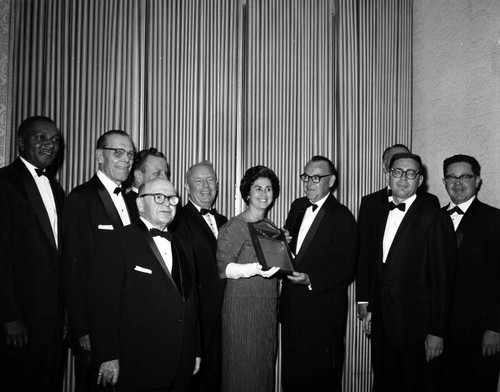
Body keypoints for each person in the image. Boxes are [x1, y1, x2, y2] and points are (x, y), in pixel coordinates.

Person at [89, 177, 200, 391]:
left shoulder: (183, 244)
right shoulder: (119, 241)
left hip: (182, 361)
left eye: (172, 199)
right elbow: (103, 303)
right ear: (140, 204)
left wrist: (195, 350)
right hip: (138, 362)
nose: (167, 203)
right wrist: (108, 355)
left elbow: (192, 300)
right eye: (159, 197)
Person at [369, 152, 456, 391]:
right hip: (384, 326)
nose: (403, 178)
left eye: (411, 173)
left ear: (420, 179)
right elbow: (381, 270)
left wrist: (437, 332)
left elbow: (443, 281)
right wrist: (372, 309)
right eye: (397, 172)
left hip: (417, 332)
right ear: (388, 175)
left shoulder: (435, 218)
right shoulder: (379, 213)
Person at [62, 130, 135, 391]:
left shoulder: (131, 201)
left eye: (130, 154)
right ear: (98, 156)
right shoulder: (80, 199)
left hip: (127, 325)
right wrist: (82, 328)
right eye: (118, 152)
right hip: (94, 328)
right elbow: (72, 269)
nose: (126, 159)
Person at [279, 155, 358, 392]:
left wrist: (312, 279)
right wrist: (283, 242)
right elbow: (290, 250)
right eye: (305, 177)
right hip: (292, 307)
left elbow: (346, 266)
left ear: (331, 181)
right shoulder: (297, 205)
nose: (308, 183)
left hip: (322, 312)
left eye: (316, 178)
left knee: (320, 377)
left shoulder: (342, 216)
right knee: (292, 376)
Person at [0, 116, 65, 391]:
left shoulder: (57, 189)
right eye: (41, 138)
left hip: (52, 324)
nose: (49, 145)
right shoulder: (4, 183)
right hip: (20, 322)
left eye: (54, 140)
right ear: (20, 143)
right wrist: (9, 316)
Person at [216, 165, 280, 392]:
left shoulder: (272, 228)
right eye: (258, 188)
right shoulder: (233, 227)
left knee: (263, 373)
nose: (264, 194)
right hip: (241, 308)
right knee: (241, 372)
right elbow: (224, 269)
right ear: (246, 193)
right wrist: (255, 268)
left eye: (269, 189)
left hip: (267, 309)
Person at [441, 154, 500, 392]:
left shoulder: (495, 219)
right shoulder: (432, 217)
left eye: (464, 176)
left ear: (477, 180)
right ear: (444, 181)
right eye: (451, 177)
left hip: (480, 334)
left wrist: (496, 328)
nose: (457, 182)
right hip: (440, 334)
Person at [170, 161, 227, 392]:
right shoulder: (177, 220)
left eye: (210, 180)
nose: (206, 186)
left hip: (224, 319)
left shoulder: (225, 222)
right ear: (186, 187)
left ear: (218, 185)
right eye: (198, 181)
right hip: (197, 322)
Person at [124, 147, 171, 222]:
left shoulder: (170, 203)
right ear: (139, 176)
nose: (165, 178)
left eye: (166, 173)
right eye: (157, 173)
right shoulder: (124, 206)